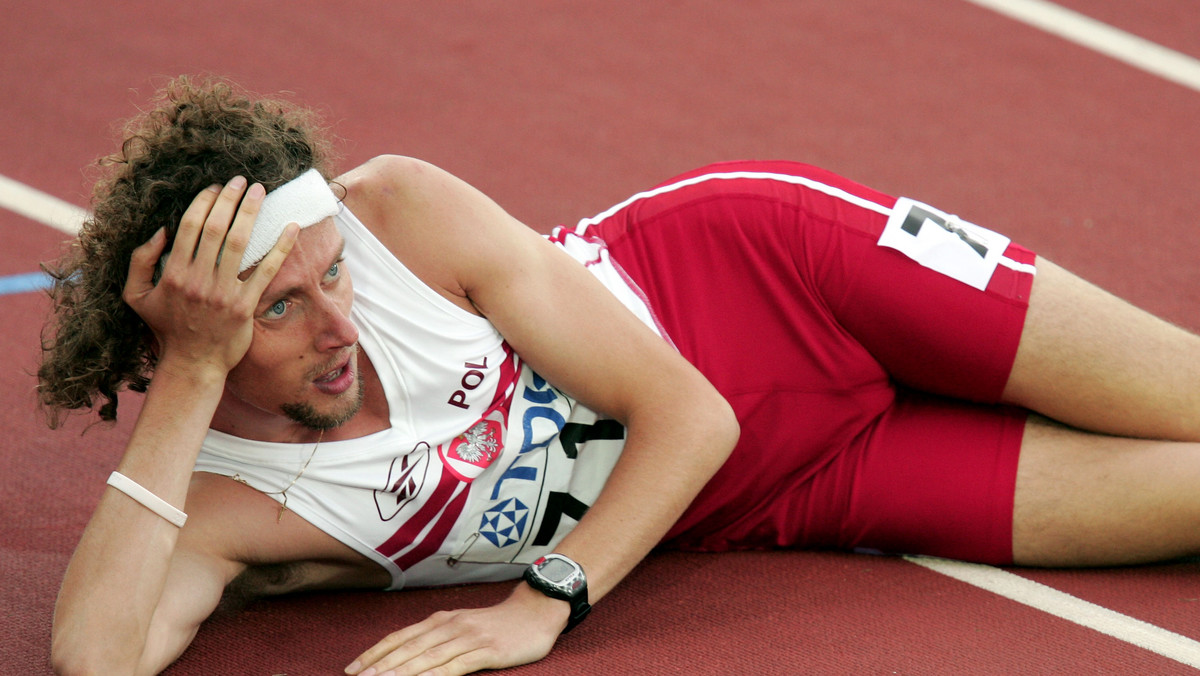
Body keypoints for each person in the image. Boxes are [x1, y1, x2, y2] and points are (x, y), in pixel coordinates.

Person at [41, 76, 1200, 676]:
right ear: (188, 334)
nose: (340, 322)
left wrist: (541, 604)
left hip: (786, 268)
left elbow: (689, 414)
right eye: (280, 308)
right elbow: (96, 659)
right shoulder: (212, 507)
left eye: (333, 272)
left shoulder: (400, 206)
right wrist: (191, 380)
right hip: (796, 491)